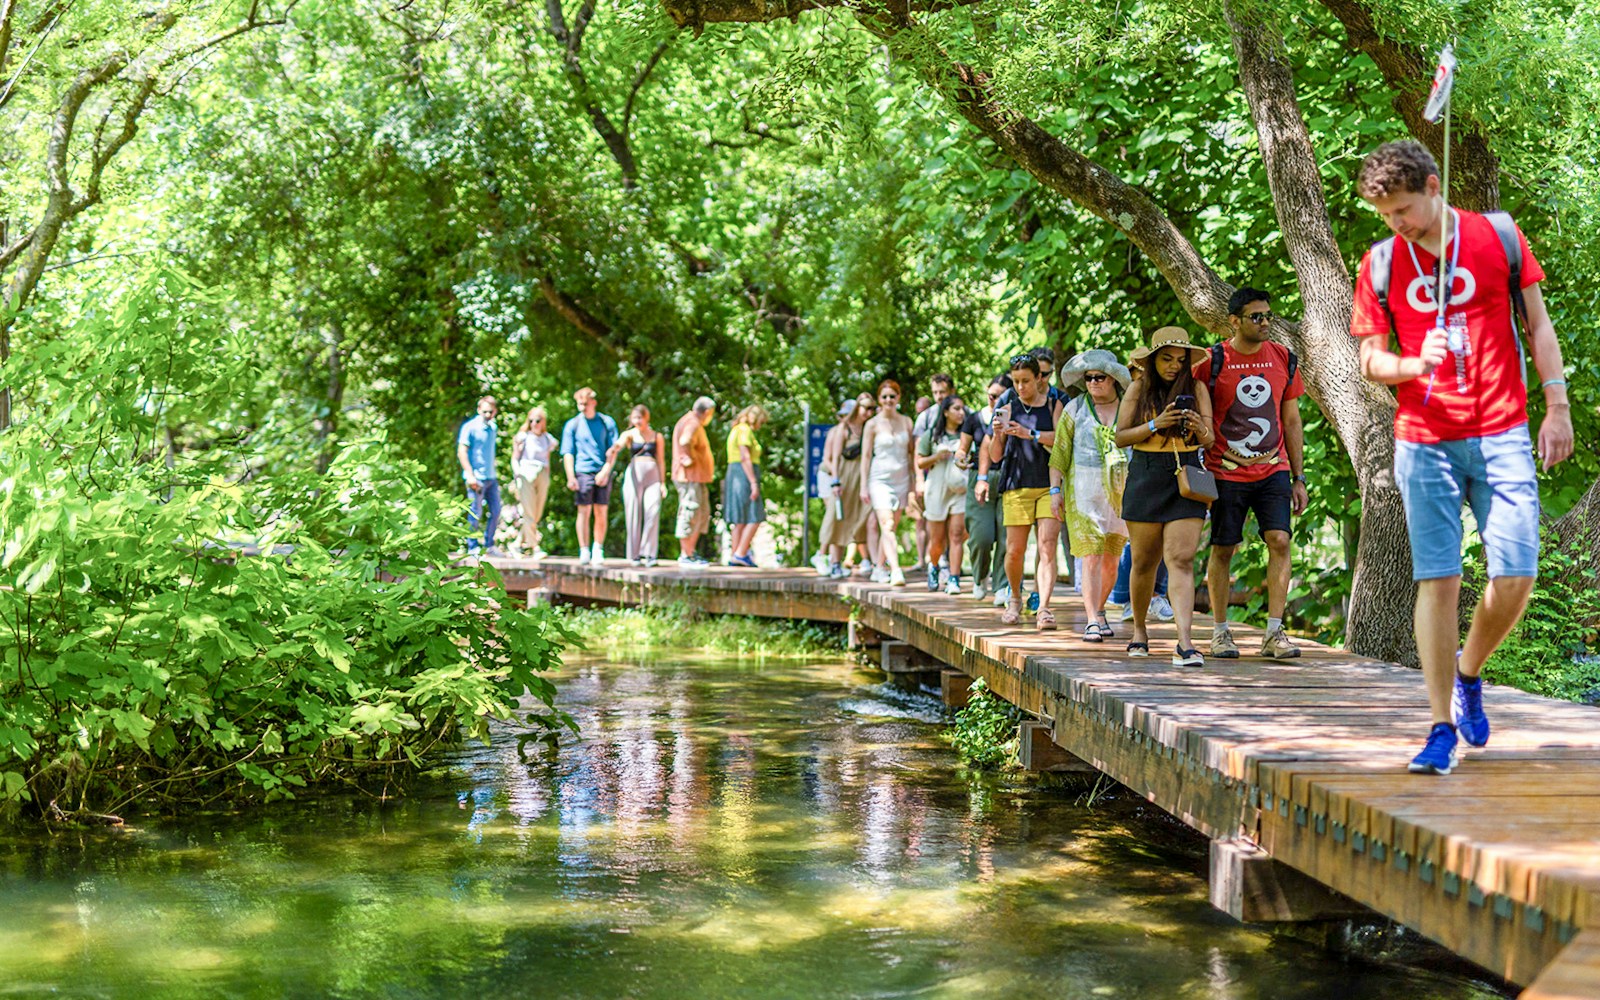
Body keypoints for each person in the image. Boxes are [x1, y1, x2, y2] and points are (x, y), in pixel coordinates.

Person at [1351, 140, 1572, 775]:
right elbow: (1369, 359)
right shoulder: (1382, 263)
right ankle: (1440, 725)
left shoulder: (1497, 237)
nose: (1399, 223)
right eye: (1387, 215)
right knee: (1438, 579)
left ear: (1433, 182)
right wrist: (1410, 364)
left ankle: (1469, 672)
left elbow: (1539, 326)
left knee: (1516, 575)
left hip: (1503, 431)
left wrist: (1556, 407)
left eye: (1405, 208)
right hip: (1424, 439)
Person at [1199, 287, 1308, 660]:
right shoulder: (1211, 361)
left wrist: (1299, 477)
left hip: (1273, 468)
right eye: (1256, 316)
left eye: (1268, 316)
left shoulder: (1283, 358)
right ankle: (1219, 631)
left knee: (1279, 540)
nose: (1265, 323)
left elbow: (1291, 420)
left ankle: (1274, 634)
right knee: (1224, 546)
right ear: (1234, 321)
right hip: (1225, 471)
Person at [1114, 327, 1215, 665]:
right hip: (1146, 474)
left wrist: (1199, 427)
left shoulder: (1197, 388)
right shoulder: (1138, 388)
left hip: (1187, 476)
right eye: (1167, 359)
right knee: (1144, 561)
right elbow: (1120, 437)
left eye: (1180, 360)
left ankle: (1185, 643)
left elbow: (1211, 439)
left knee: (1181, 560)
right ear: (1153, 360)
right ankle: (1140, 630)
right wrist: (1157, 423)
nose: (1173, 366)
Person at [1050, 350, 1132, 642]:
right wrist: (1055, 491)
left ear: (1113, 379)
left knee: (1113, 558)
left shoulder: (1128, 407)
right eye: (1088, 378)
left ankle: (1099, 610)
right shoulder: (1074, 409)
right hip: (1083, 491)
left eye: (1099, 377)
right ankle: (1091, 619)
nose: (1094, 382)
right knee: (1091, 556)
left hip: (1122, 491)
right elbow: (1059, 454)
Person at [982, 354, 1060, 629]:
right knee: (1014, 550)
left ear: (1039, 378)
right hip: (1016, 485)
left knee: (1047, 547)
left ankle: (1045, 607)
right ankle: (1015, 597)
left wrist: (1031, 434)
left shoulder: (1054, 403)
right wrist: (999, 433)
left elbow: (1062, 442)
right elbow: (994, 455)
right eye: (1015, 381)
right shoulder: (1007, 405)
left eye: (1025, 380)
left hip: (1048, 484)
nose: (1020, 387)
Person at [860, 379, 915, 586]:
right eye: (884, 397)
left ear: (898, 398)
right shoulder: (872, 424)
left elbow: (911, 455)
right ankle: (896, 570)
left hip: (901, 478)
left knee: (892, 525)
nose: (888, 400)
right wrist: (863, 485)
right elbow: (866, 456)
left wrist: (914, 482)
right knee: (887, 523)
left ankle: (879, 567)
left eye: (892, 396)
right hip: (879, 479)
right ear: (879, 400)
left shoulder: (907, 422)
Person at [916, 394, 970, 594]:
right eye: (956, 408)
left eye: (962, 409)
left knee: (956, 534)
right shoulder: (931, 435)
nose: (961, 412)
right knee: (937, 540)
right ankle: (934, 566)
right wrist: (937, 456)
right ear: (946, 412)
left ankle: (954, 578)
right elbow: (920, 462)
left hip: (959, 489)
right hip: (936, 490)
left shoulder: (966, 434)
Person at [964, 374, 1011, 602]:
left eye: (1001, 397)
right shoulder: (974, 418)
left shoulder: (1015, 414)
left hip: (1009, 477)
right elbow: (966, 448)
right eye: (992, 396)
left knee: (1006, 536)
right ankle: (980, 576)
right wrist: (959, 458)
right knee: (981, 536)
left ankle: (1002, 585)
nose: (995, 401)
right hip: (980, 477)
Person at [561, 387, 619, 565]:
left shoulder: (606, 422)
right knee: (583, 510)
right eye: (579, 404)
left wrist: (606, 471)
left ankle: (598, 548)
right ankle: (584, 549)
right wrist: (571, 477)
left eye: (585, 404)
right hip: (582, 471)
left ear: (593, 402)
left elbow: (613, 450)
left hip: (601, 470)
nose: (582, 407)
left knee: (601, 511)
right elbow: (568, 453)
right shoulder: (573, 424)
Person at [820, 395, 873, 579]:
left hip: (861, 478)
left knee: (859, 518)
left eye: (871, 409)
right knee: (837, 519)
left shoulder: (868, 427)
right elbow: (833, 459)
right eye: (865, 408)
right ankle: (833, 562)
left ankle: (866, 560)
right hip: (844, 478)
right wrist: (835, 481)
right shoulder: (843, 429)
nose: (869, 412)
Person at [611, 404, 666, 567]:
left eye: (639, 418)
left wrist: (663, 483)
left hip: (653, 475)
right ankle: (634, 554)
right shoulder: (629, 435)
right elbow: (620, 443)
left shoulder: (657, 436)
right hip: (634, 475)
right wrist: (615, 448)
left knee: (653, 511)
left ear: (646, 417)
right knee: (633, 512)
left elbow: (661, 460)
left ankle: (649, 553)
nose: (637, 421)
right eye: (634, 418)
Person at [672, 396, 717, 568]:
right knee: (690, 511)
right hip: (690, 478)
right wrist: (686, 458)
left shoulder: (691, 421)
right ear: (707, 412)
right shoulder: (692, 423)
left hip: (697, 478)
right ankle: (686, 554)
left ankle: (691, 552)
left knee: (701, 513)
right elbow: (685, 441)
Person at [724, 405, 769, 567]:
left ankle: (735, 555)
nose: (760, 426)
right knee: (755, 515)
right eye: (761, 422)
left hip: (735, 473)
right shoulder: (744, 430)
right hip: (744, 474)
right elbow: (745, 457)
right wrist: (753, 482)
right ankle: (741, 552)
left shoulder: (736, 429)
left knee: (740, 518)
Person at [458, 395, 502, 555]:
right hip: (476, 477)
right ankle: (472, 546)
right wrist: (470, 475)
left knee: (496, 510)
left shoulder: (493, 428)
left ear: (495, 411)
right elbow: (462, 451)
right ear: (478, 410)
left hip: (491, 477)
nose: (488, 414)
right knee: (475, 512)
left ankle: (489, 544)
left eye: (491, 411)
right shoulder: (469, 427)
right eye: (484, 411)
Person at [511, 406, 556, 557]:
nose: (534, 423)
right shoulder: (523, 437)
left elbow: (547, 460)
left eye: (538, 420)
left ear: (543, 422)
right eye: (531, 420)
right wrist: (517, 476)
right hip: (526, 472)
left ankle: (517, 543)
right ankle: (534, 547)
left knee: (536, 513)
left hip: (542, 473)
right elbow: (515, 458)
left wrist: (547, 478)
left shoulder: (547, 439)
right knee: (529, 511)